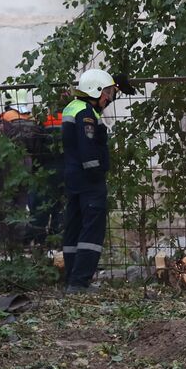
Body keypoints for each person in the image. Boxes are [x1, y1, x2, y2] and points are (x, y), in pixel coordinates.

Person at [61, 69, 117, 292]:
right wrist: (96, 176)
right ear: (96, 90)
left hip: (73, 177)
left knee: (73, 228)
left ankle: (72, 279)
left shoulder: (74, 107)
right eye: (107, 92)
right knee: (91, 231)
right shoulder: (85, 113)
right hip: (88, 180)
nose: (109, 98)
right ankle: (80, 281)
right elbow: (88, 148)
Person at [0, 90, 37, 244]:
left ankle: (0, 237)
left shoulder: (6, 117)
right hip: (27, 163)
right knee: (21, 200)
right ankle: (18, 237)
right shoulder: (32, 118)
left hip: (9, 162)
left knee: (3, 199)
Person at [27, 101, 65, 246]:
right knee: (61, 206)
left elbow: (35, 146)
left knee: (41, 206)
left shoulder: (43, 120)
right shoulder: (72, 119)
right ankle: (57, 240)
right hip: (66, 168)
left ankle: (38, 241)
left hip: (45, 169)